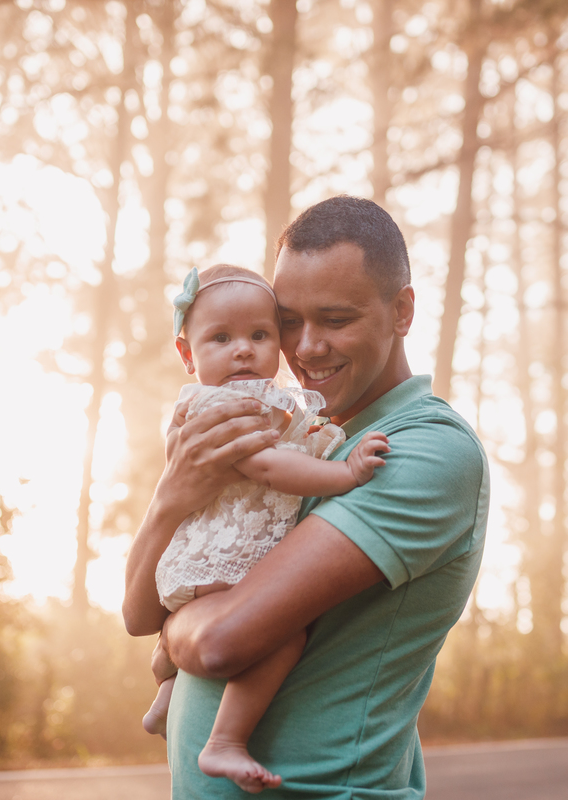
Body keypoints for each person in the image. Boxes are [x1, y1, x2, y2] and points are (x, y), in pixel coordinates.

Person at [123, 195, 489, 798]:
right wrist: (170, 496)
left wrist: (176, 632)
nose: (306, 347)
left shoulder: (421, 451)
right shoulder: (299, 438)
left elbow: (219, 643)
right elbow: (138, 615)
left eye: (337, 319)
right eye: (290, 320)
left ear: (402, 310)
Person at [143, 262, 391, 792]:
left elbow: (292, 444)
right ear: (188, 355)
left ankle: (167, 690)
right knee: (280, 634)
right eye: (221, 338)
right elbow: (269, 467)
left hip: (202, 559)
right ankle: (225, 741)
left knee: (197, 626)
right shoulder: (227, 407)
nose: (243, 350)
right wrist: (345, 471)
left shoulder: (248, 404)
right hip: (224, 558)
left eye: (260, 335)